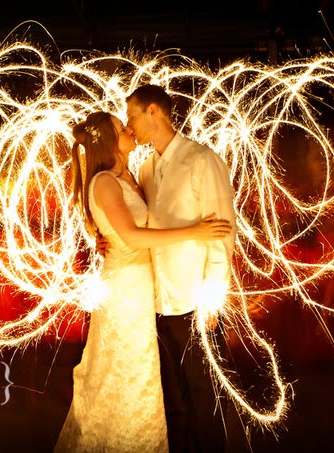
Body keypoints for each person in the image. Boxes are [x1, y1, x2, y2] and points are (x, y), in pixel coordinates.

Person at [53, 111, 232, 453]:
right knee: (125, 375)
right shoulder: (105, 181)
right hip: (125, 293)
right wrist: (194, 231)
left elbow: (122, 226)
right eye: (122, 128)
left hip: (143, 289)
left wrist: (102, 236)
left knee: (143, 376)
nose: (129, 129)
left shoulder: (133, 176)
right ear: (109, 140)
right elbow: (133, 236)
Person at [125, 84, 237, 452]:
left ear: (153, 111)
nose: (129, 125)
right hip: (159, 303)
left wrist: (212, 299)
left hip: (194, 303)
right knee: (175, 404)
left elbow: (222, 232)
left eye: (132, 115)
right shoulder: (146, 168)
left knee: (206, 401)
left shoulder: (201, 161)